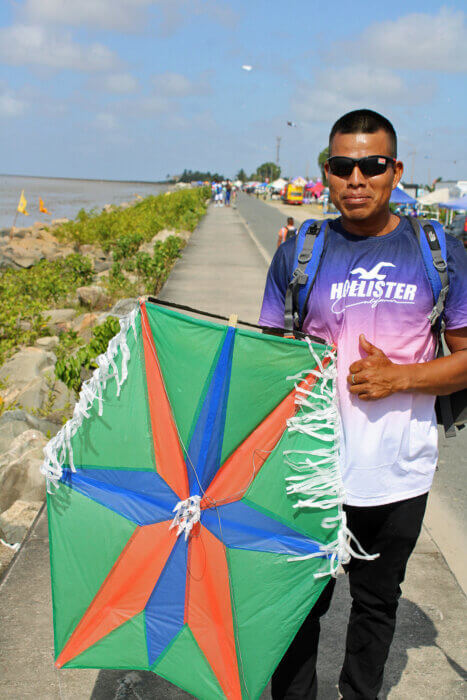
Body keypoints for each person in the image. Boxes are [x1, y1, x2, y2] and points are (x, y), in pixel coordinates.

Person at [259, 109, 467, 699]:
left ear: (395, 170)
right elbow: (268, 359)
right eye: (343, 166)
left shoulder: (437, 250)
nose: (357, 178)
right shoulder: (300, 251)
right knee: (296, 609)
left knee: (376, 608)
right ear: (326, 172)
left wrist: (400, 378)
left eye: (372, 165)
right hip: (310, 470)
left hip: (399, 472)